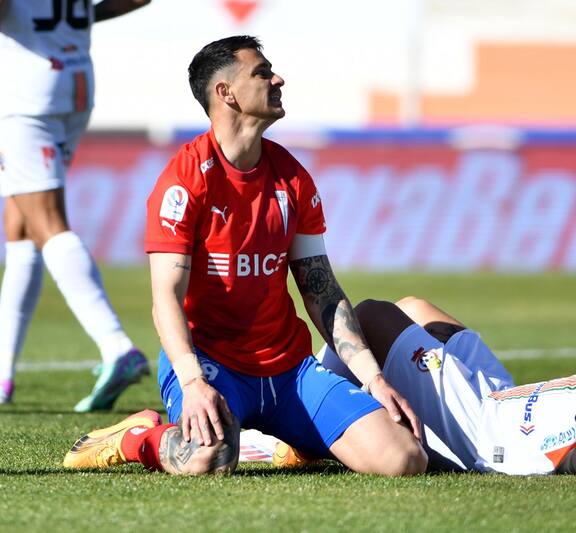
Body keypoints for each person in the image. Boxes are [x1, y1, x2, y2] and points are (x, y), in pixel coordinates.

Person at [63, 35, 426, 476]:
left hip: (290, 371)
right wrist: (192, 381)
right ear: (226, 93)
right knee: (206, 459)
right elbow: (165, 299)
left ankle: (291, 442)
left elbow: (323, 292)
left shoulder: (292, 178)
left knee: (404, 459)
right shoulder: (184, 180)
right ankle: (138, 435)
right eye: (262, 72)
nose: (278, 79)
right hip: (212, 366)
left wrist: (373, 379)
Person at [262, 296, 576, 477]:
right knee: (416, 308)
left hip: (486, 432)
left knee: (371, 317)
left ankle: (308, 416)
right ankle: (335, 405)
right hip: (507, 397)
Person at [0, 0, 152, 410]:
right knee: (21, 224)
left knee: (45, 221)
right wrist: (86, 14)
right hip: (76, 82)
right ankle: (3, 371)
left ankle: (116, 346)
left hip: (27, 94)